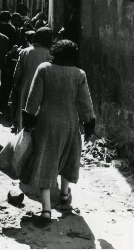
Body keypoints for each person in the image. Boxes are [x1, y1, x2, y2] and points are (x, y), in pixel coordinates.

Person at [21, 39, 95, 223]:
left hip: (46, 122)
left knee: (45, 161)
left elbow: (33, 100)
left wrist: (28, 122)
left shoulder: (44, 69)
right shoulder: (79, 74)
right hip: (70, 122)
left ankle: (46, 210)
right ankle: (63, 195)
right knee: (69, 158)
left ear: (55, 52)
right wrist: (89, 126)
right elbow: (86, 104)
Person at [12, 27, 53, 133]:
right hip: (43, 92)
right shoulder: (49, 55)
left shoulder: (24, 52)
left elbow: (17, 74)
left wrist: (18, 86)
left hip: (25, 88)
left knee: (24, 119)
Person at [0, 11, 18, 116]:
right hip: (8, 60)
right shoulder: (12, 29)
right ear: (9, 19)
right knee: (6, 83)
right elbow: (15, 45)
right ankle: (3, 104)